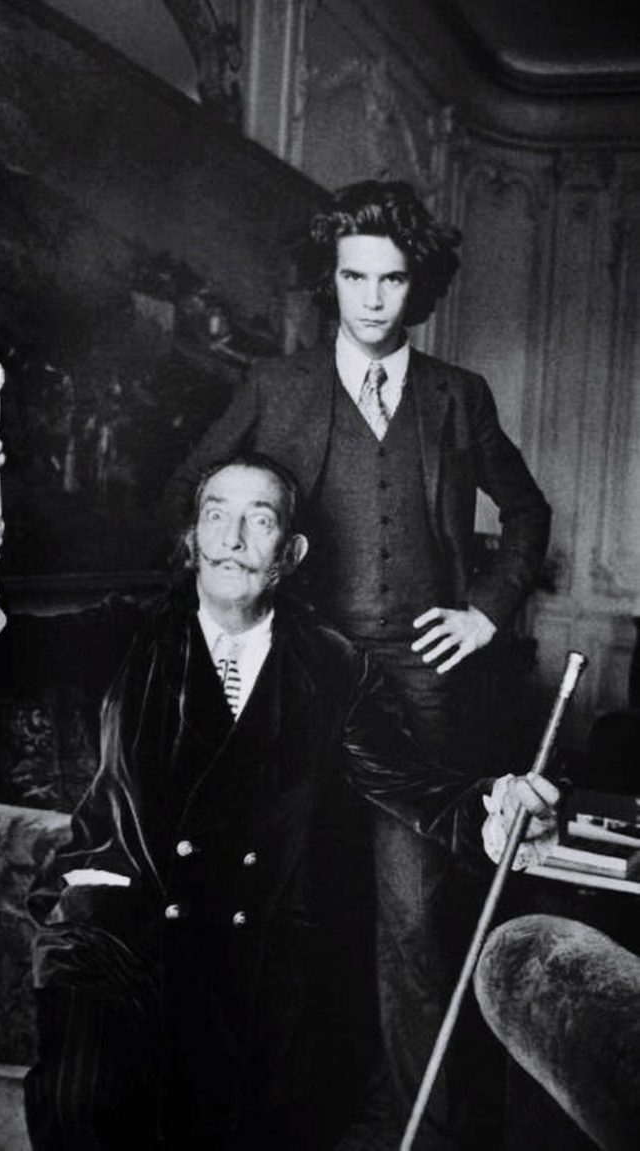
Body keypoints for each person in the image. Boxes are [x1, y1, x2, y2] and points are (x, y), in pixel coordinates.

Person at [0, 440, 557, 1151]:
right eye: (216, 516)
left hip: (258, 950)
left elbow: (412, 785)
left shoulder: (332, 663)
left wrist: (496, 805)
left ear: (290, 553)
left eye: (260, 520)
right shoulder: (131, 629)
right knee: (85, 1102)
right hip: (119, 926)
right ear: (193, 538)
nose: (233, 539)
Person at [163, 180, 552, 1145]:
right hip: (297, 680)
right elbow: (188, 493)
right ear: (329, 280)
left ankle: (421, 1131)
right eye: (353, 277)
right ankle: (288, 1119)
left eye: (391, 279)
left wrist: (484, 613)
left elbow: (526, 512)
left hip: (423, 692)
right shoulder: (274, 386)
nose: (371, 299)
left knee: (414, 922)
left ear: (418, 286)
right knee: (291, 907)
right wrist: (234, 605)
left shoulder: (458, 395)